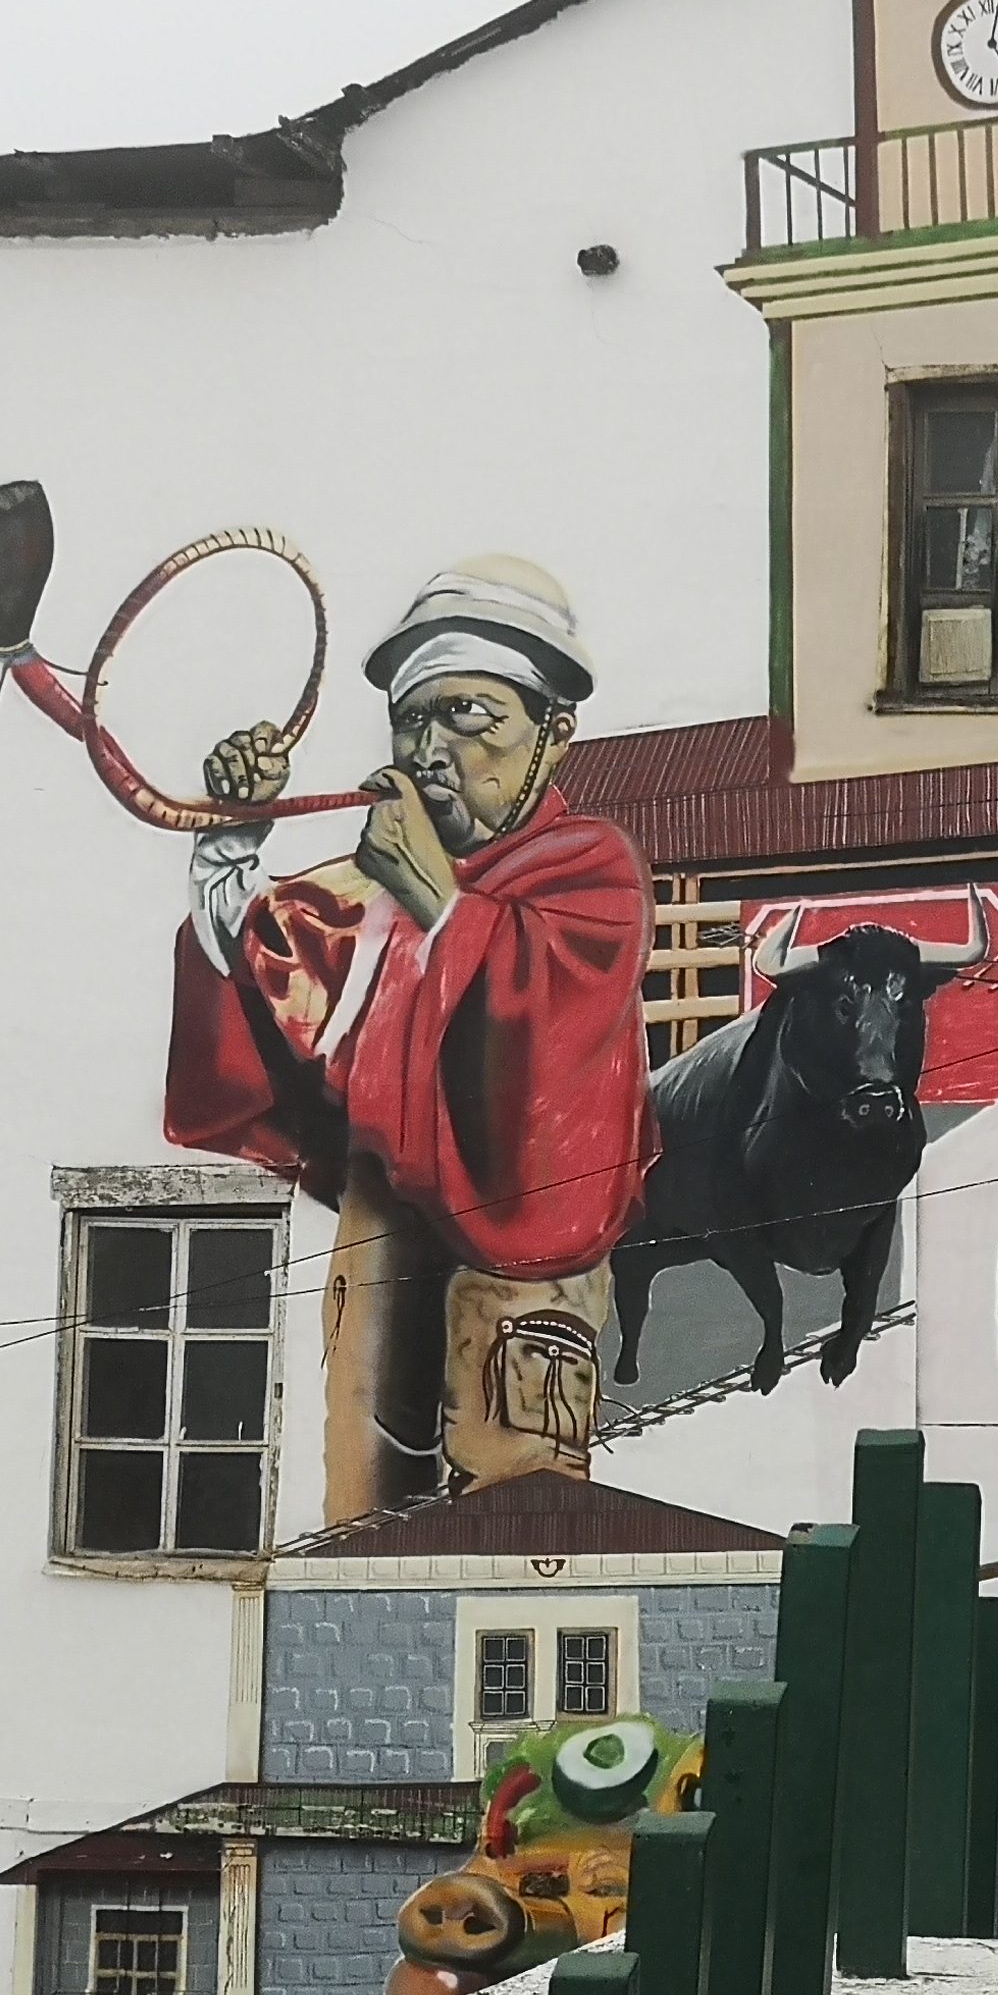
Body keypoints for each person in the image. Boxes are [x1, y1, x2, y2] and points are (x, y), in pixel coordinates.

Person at [165, 557, 654, 1518]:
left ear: (553, 736)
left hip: (522, 1268)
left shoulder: (587, 867)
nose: (432, 750)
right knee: (365, 1506)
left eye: (470, 716)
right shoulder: (380, 883)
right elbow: (262, 957)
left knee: (517, 1519)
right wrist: (232, 835)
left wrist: (433, 890)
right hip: (384, 1224)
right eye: (413, 719)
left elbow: (541, 1031)